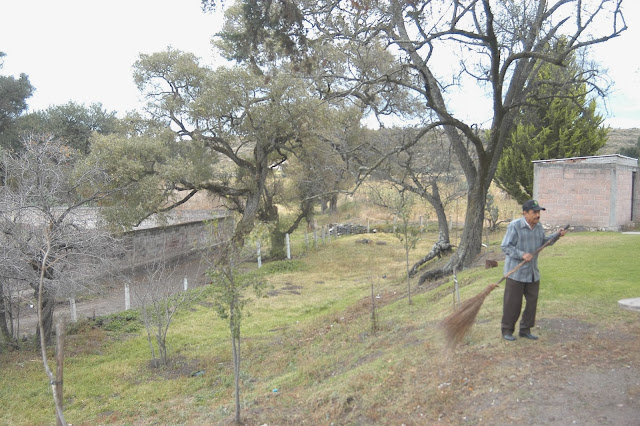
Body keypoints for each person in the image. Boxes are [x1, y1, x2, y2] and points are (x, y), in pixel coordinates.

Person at [500, 199, 566, 341]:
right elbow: (506, 246)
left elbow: (544, 242)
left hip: (532, 273)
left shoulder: (538, 227)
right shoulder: (515, 226)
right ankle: (507, 330)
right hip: (515, 273)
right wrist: (522, 254)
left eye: (538, 212)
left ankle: (525, 329)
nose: (537, 215)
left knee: (532, 303)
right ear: (525, 213)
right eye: (534, 212)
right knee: (513, 304)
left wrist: (557, 235)